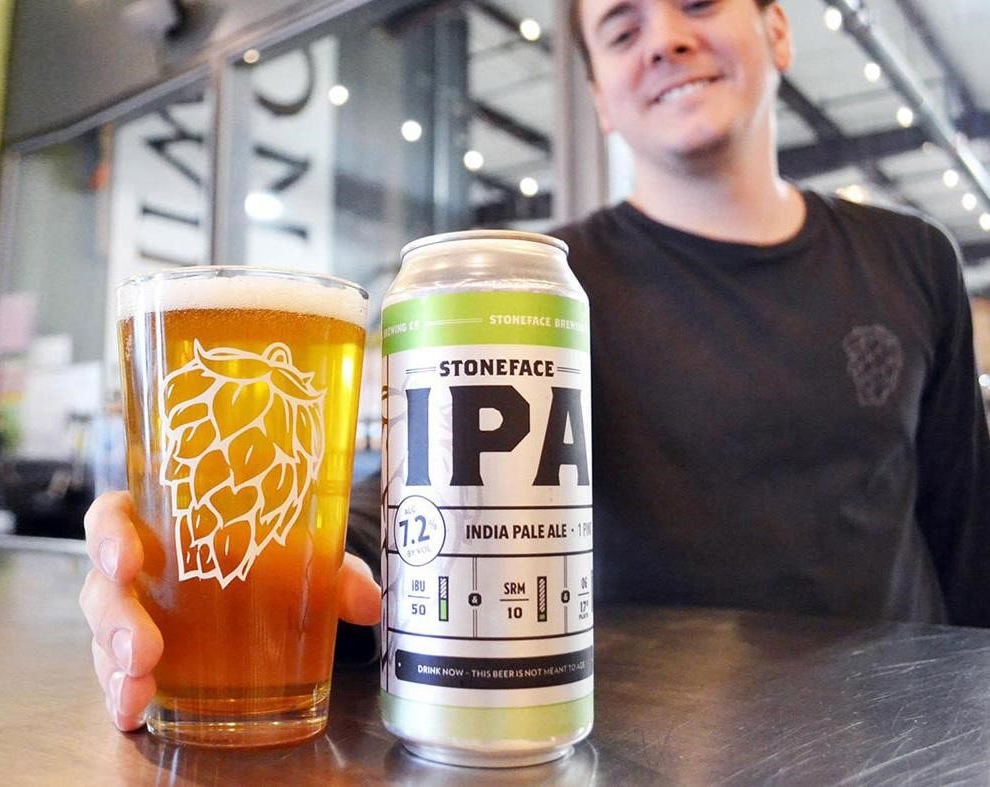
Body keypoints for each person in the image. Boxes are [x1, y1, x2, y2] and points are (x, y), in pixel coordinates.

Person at [80, 0, 990, 730]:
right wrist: (251, 559)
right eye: (622, 30)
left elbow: (967, 525)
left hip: (897, 725)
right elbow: (421, 495)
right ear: (601, 98)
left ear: (778, 29)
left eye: (699, 4)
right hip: (657, 735)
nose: (665, 40)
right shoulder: (550, 284)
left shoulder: (914, 255)